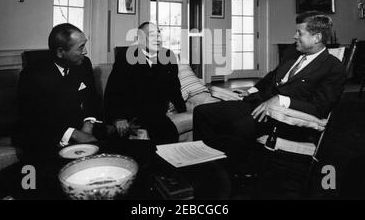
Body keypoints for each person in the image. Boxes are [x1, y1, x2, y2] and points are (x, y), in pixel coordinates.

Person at [193, 11, 347, 160]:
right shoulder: (292, 53)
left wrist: (282, 100)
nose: (294, 36)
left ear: (317, 38)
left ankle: (234, 171)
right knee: (202, 112)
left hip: (284, 118)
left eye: (299, 33)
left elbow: (320, 108)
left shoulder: (333, 68)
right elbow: (272, 76)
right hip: (257, 104)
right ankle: (206, 163)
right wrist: (251, 90)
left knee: (236, 127)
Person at [17, 23, 103, 161]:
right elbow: (34, 120)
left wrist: (88, 124)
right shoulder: (32, 75)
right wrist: (74, 134)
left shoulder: (84, 64)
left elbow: (92, 98)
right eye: (80, 47)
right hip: (46, 136)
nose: (86, 51)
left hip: (83, 129)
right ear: (60, 52)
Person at [104, 22, 186, 144]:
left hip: (157, 114)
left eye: (158, 33)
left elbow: (174, 86)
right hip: (132, 115)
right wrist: (118, 118)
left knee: (170, 137)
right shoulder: (125, 57)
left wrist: (178, 106)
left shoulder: (168, 56)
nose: (158, 38)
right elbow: (112, 92)